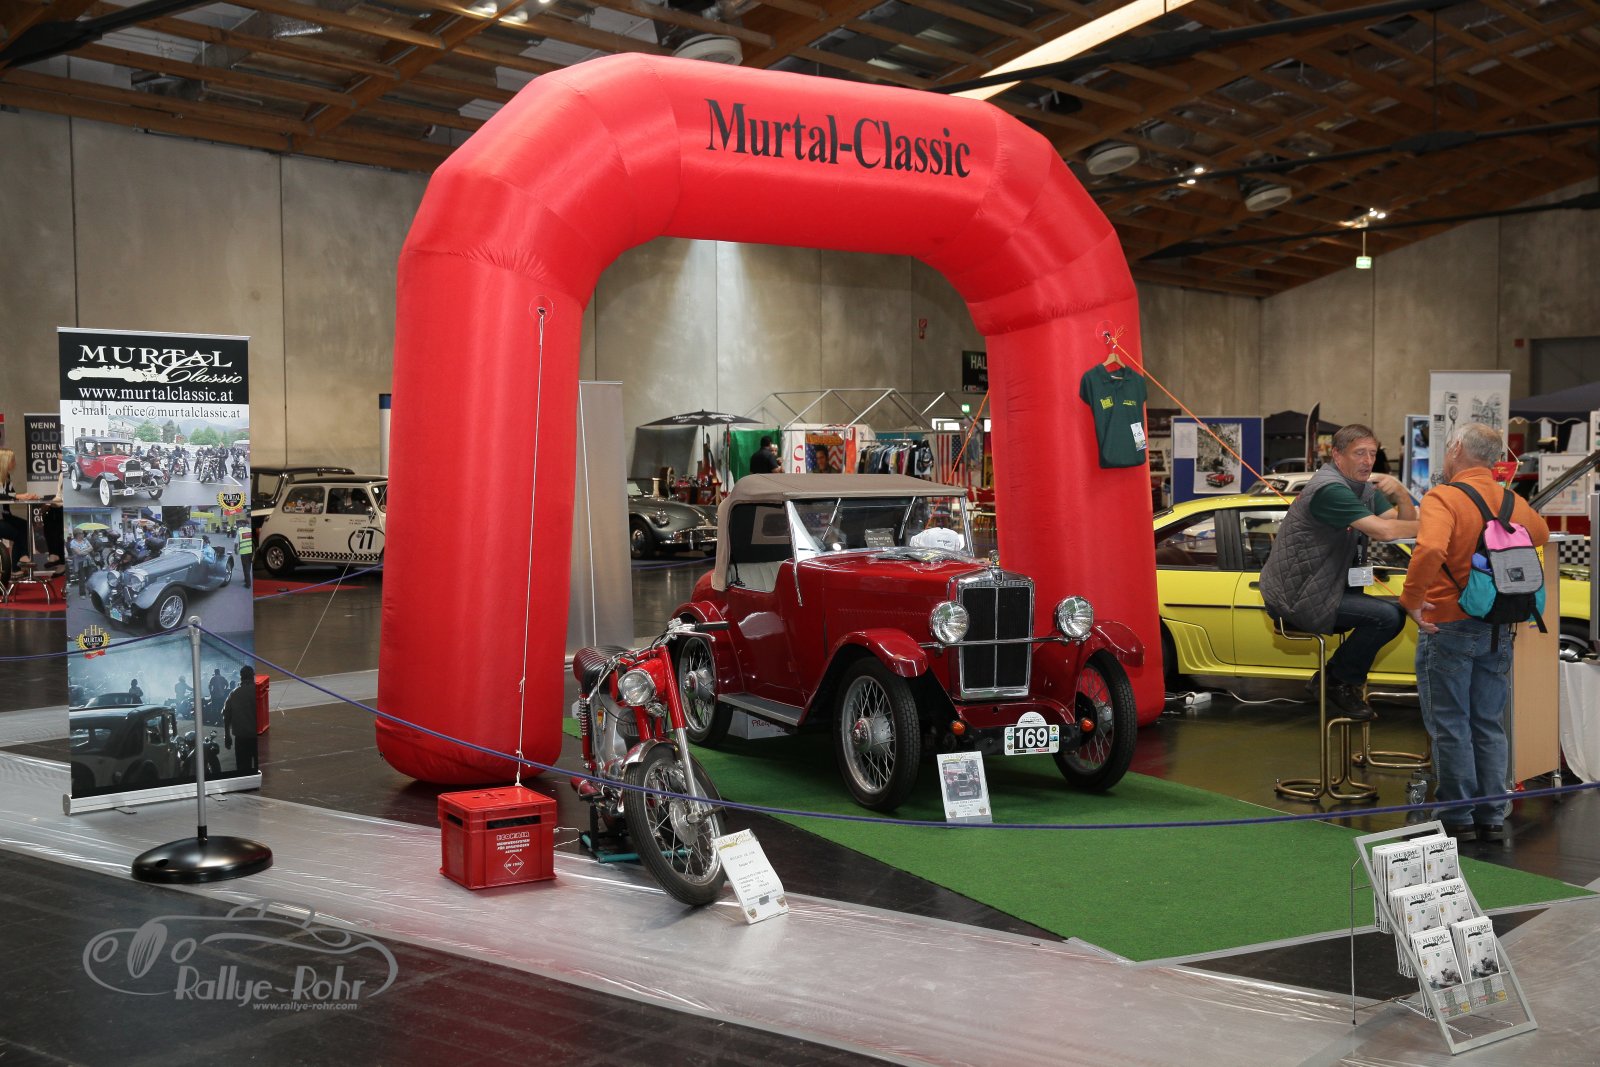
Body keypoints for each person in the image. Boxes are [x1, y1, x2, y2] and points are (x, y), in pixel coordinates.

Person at [1401, 422, 1549, 842]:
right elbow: (1539, 534)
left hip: (1447, 621)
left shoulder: (1443, 497)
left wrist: (1412, 598)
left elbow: (1431, 547)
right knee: (1488, 722)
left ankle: (1457, 814)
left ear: (1456, 449)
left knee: (1450, 723)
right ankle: (1491, 813)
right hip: (1498, 624)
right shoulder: (1512, 500)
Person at [1260, 424, 1419, 720]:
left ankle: (1335, 678)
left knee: (1400, 609)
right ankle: (1335, 682)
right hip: (1298, 595)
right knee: (1386, 617)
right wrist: (1440, 527)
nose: (1368, 461)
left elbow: (1400, 525)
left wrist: (1402, 495)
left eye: (1372, 453)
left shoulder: (1363, 488)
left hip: (1328, 589)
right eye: (1359, 453)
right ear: (1337, 455)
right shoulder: (1330, 489)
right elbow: (1385, 531)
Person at [222, 665, 259, 775]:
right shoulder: (258, 691)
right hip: (258, 737)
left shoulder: (234, 693)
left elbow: (226, 715)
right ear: (253, 676)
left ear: (241, 677)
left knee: (243, 770)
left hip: (241, 738)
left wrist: (227, 736)